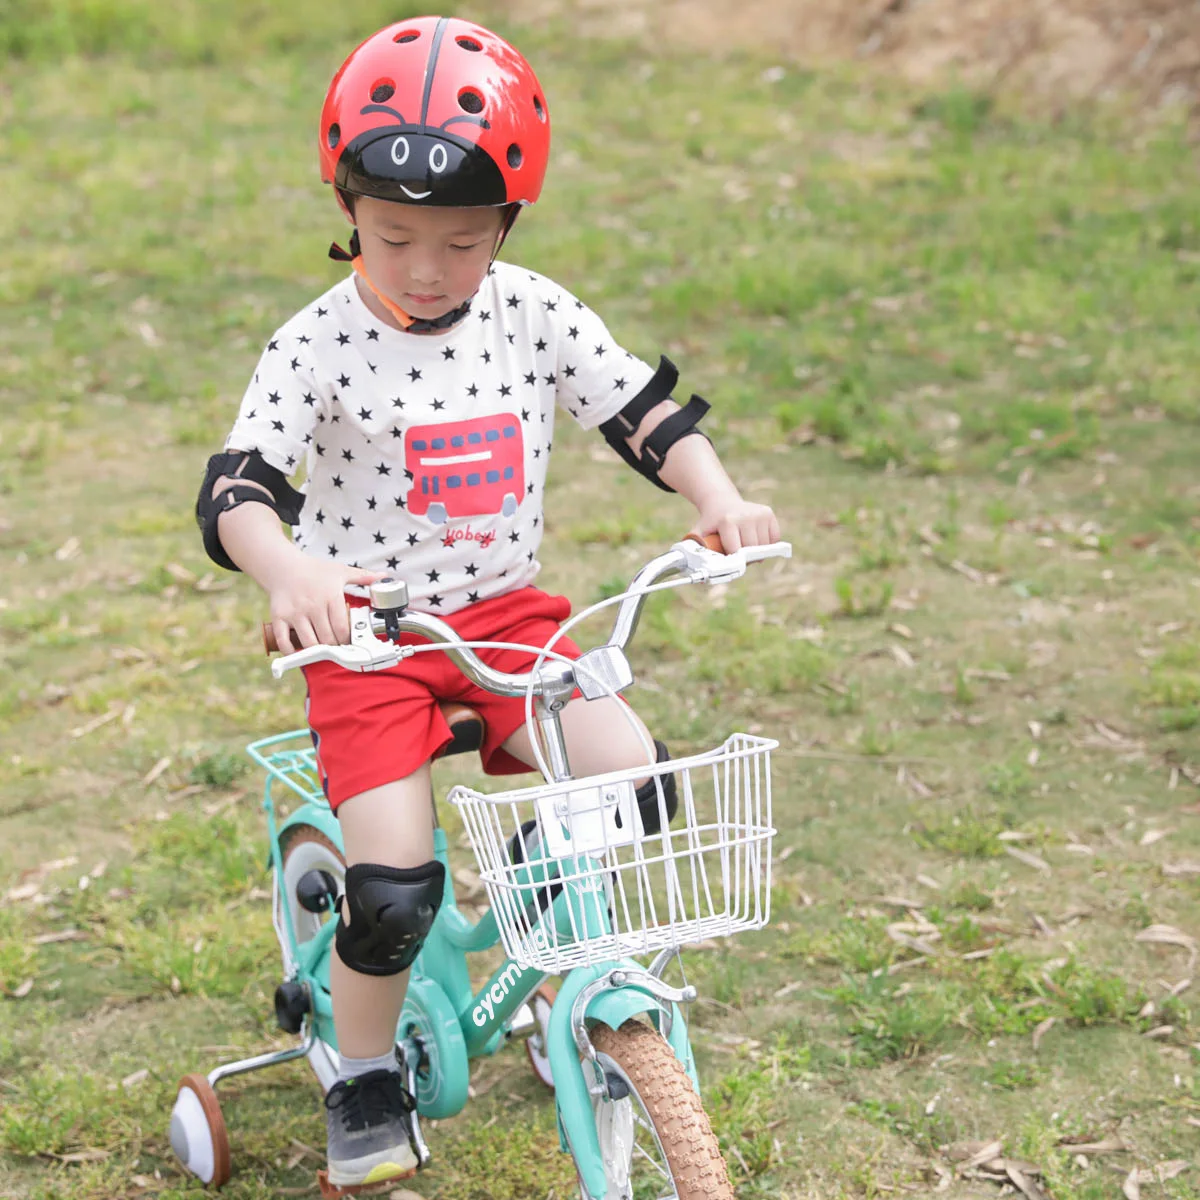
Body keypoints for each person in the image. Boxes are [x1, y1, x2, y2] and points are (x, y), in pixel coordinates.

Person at [195, 15, 780, 1193]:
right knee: (397, 885)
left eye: (461, 242)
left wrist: (716, 495)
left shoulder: (532, 312)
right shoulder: (316, 347)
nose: (423, 268)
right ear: (347, 206)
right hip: (371, 641)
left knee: (633, 776)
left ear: (506, 225)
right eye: (393, 234)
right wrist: (290, 571)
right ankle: (360, 1068)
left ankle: (549, 945)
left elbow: (638, 415)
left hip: (510, 622)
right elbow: (239, 489)